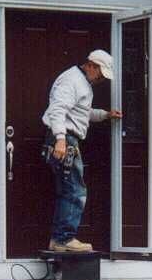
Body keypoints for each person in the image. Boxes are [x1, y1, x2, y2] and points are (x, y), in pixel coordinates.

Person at [41, 49, 123, 252]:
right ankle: (64, 239)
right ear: (92, 65)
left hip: (67, 138)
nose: (101, 79)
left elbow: (81, 113)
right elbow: (57, 111)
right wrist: (61, 139)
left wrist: (105, 115)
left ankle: (59, 239)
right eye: (101, 74)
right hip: (65, 139)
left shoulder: (81, 82)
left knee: (68, 190)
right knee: (75, 191)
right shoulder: (72, 81)